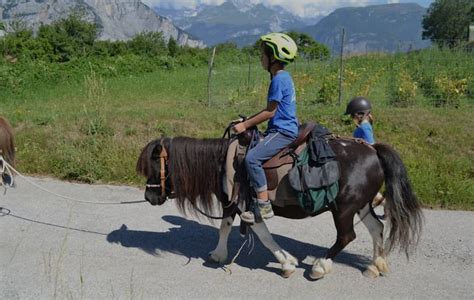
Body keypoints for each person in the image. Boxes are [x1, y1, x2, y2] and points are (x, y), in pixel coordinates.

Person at [232, 32, 298, 223]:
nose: (261, 58)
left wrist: (244, 124)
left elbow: (270, 112)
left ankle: (264, 205)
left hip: (282, 131)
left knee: (252, 158)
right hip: (281, 127)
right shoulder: (284, 77)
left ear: (273, 58)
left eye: (263, 55)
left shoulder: (278, 79)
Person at [345, 96, 384, 207]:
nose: (352, 118)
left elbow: (371, 145)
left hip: (363, 161)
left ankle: (387, 206)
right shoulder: (364, 126)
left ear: (358, 114)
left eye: (352, 115)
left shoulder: (364, 127)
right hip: (361, 159)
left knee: (366, 188)